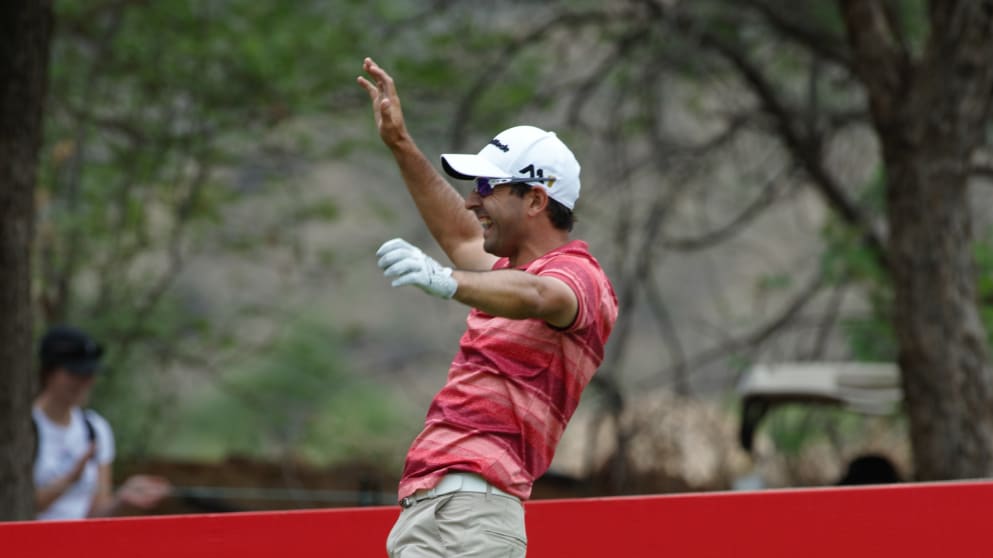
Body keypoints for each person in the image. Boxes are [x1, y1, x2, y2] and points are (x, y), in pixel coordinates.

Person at [358, 57, 618, 557]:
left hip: (477, 514)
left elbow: (540, 297)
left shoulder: (581, 277)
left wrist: (444, 281)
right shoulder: (504, 273)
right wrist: (400, 144)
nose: (473, 202)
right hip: (426, 507)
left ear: (537, 201)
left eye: (486, 188)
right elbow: (459, 235)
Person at [32, 325, 171, 520]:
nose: (84, 383)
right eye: (74, 374)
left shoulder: (95, 429)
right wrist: (71, 479)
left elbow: (97, 514)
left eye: (89, 375)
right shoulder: (23, 430)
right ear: (49, 373)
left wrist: (123, 498)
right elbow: (15, 506)